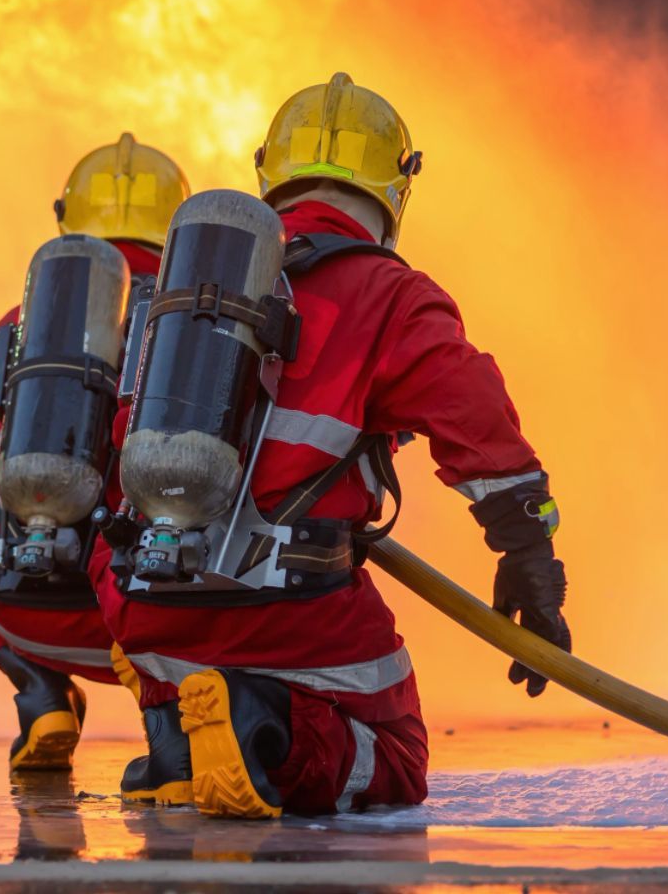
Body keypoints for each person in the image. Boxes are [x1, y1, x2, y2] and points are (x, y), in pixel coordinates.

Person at [92, 74, 570, 817]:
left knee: (185, 645)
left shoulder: (181, 290)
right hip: (289, 617)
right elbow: (474, 414)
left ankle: (174, 750)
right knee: (398, 756)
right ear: (395, 190)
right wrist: (527, 552)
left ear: (270, 172)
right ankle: (263, 730)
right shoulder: (388, 292)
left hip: (147, 609)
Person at [0, 133, 189, 781]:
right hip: (162, 615)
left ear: (67, 222)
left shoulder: (15, 327)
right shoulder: (193, 325)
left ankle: (42, 698)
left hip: (31, 611)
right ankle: (170, 729)